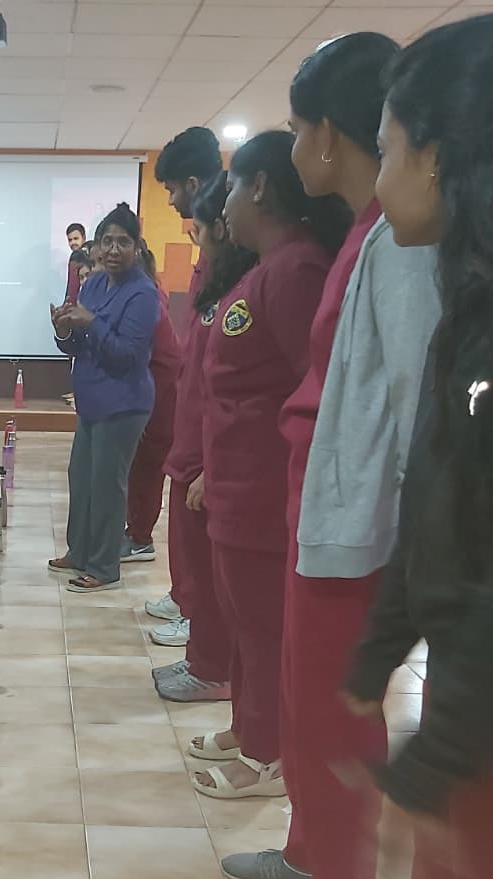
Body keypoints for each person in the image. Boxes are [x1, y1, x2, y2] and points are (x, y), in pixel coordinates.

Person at [326, 15, 493, 879]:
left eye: (388, 152)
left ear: (441, 156)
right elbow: (438, 505)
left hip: (486, 714)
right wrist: (378, 648)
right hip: (462, 695)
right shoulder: (468, 308)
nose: (378, 184)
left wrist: (434, 763)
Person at [223, 34, 441, 879]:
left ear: (331, 136)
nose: (298, 145)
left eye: (302, 126)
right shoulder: (361, 232)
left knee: (333, 715)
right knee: (305, 703)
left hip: (355, 529)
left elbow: (410, 399)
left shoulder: (398, 239)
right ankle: (310, 849)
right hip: (319, 512)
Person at [190, 131, 350, 798]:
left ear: (259, 187)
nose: (222, 203)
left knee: (261, 624)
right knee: (242, 615)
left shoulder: (295, 270)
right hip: (234, 481)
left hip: (262, 486)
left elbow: (309, 385)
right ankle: (246, 724)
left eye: (230, 186)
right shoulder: (264, 268)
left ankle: (265, 752)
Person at [152, 172, 256, 703]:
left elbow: (251, 395)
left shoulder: (250, 287)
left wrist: (214, 469)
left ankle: (212, 666)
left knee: (218, 578)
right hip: (193, 446)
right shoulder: (214, 283)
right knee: (195, 560)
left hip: (214, 458)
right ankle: (203, 656)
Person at [49, 203, 159, 593]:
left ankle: (105, 566)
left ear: (137, 248)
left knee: (107, 485)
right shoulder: (93, 284)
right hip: (92, 400)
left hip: (124, 403)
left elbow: (126, 353)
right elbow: (78, 345)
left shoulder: (144, 294)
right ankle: (78, 552)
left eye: (123, 242)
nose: (113, 250)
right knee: (80, 478)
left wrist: (90, 322)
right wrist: (64, 329)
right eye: (107, 241)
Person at [121, 241, 182, 563]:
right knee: (136, 466)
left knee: (147, 465)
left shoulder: (146, 299)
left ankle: (141, 537)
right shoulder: (145, 294)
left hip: (158, 393)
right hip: (148, 390)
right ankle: (134, 531)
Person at [64, 221, 87, 303]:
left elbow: (73, 290)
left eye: (76, 239)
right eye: (70, 240)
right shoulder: (74, 256)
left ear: (84, 237)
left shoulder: (77, 257)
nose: (73, 243)